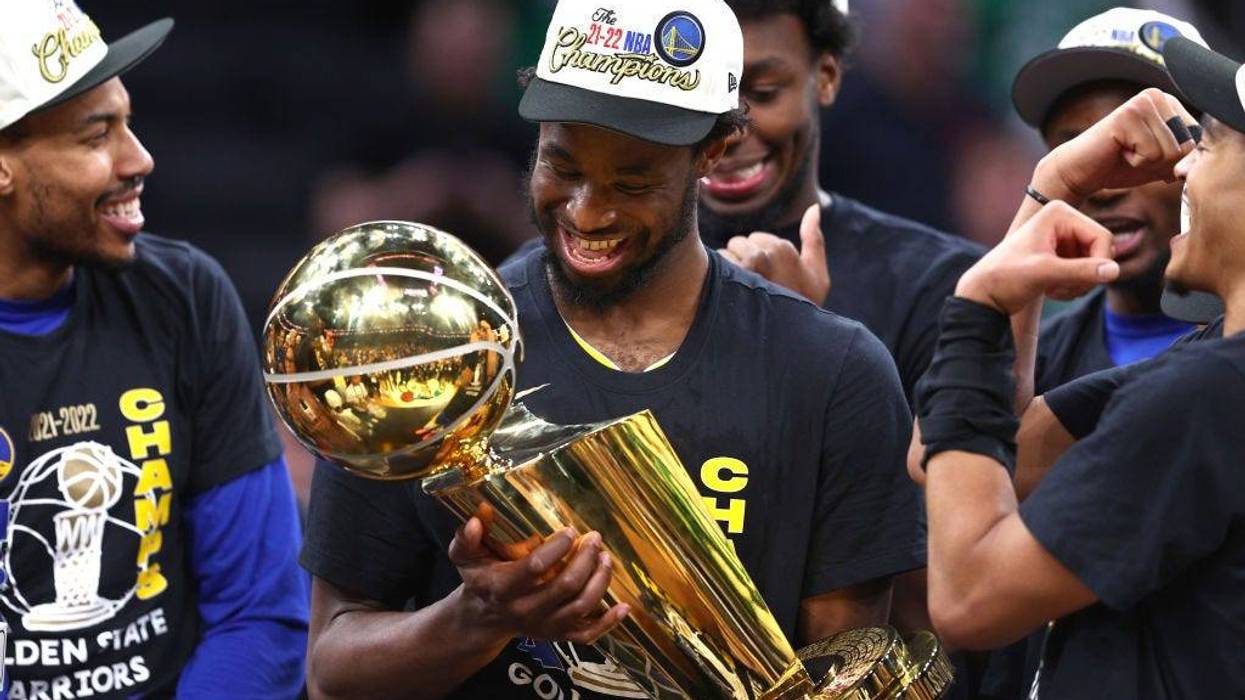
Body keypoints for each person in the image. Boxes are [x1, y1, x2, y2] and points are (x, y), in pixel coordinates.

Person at [301, 1, 923, 698]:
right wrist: (475, 618)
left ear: (712, 152)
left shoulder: (831, 372)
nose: (587, 212)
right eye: (560, 167)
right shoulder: (423, 352)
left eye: (632, 181)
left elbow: (843, 676)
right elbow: (331, 670)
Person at [914, 33, 1245, 698]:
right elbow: (968, 452)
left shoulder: (1209, 392)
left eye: (1204, 144)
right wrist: (1050, 189)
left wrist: (980, 304)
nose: (1178, 170)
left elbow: (966, 598)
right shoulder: (1207, 364)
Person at [0, 2, 308, 697]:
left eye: (128, 122)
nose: (139, 159)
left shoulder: (184, 295)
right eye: (94, 136)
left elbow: (261, 615)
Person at [980, 11, 1211, 698]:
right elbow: (943, 467)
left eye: (1132, 143)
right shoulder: (1027, 353)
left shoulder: (1230, 358)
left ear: (1208, 156)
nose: (1102, 179)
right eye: (1073, 151)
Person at [698, 0, 984, 408]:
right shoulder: (610, 267)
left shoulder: (942, 286)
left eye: (762, 94)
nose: (728, 130)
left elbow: (940, 470)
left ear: (826, 77)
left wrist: (807, 349)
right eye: (698, 92)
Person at [1013, 9, 1210, 395]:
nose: (1105, 190)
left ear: (1211, 153)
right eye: (1079, 157)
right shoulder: (1028, 367)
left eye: (1137, 149)